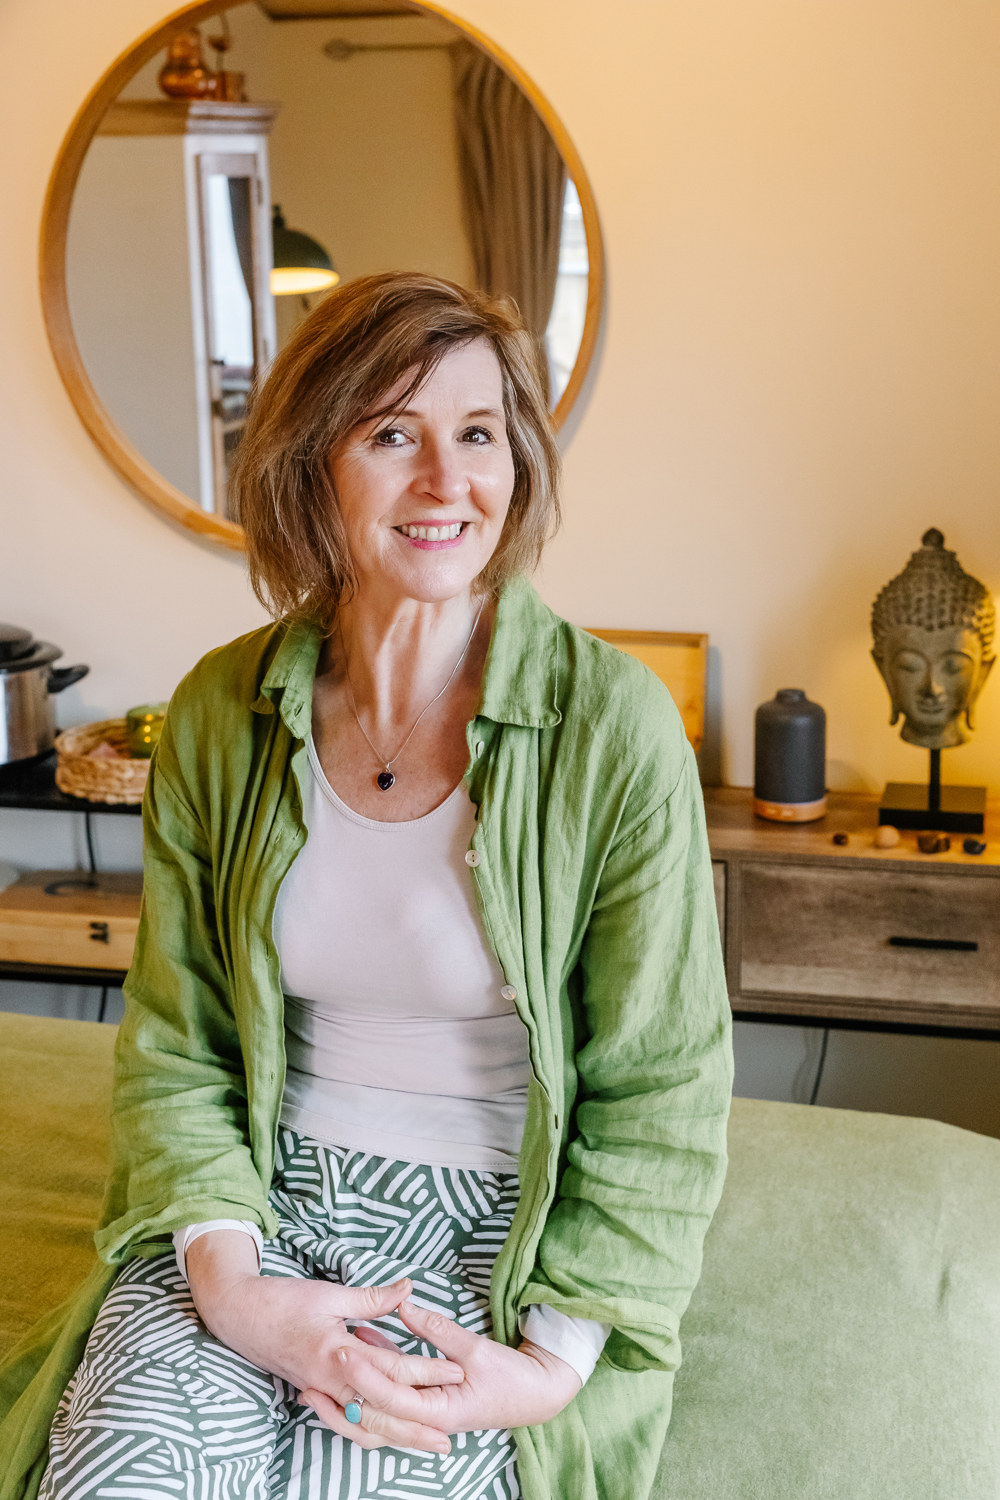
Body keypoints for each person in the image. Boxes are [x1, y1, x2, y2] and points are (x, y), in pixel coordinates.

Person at [4, 273, 732, 1500]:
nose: (447, 484)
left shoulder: (613, 727)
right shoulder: (219, 713)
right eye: (392, 433)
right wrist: (234, 1288)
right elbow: (180, 1048)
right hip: (252, 1202)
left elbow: (662, 1081)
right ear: (310, 467)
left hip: (489, 1241)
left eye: (478, 435)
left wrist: (544, 1368)